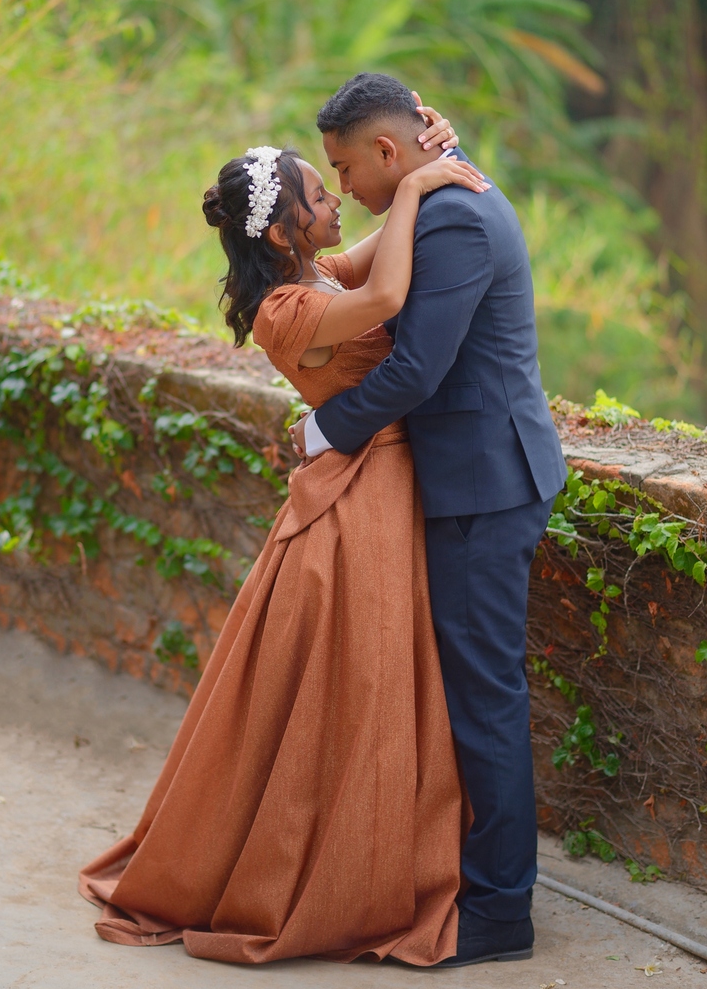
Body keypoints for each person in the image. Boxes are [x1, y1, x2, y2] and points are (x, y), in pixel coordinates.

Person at [79, 101, 490, 966]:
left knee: (376, 675)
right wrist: (417, 185)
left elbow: (380, 251)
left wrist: (433, 159)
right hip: (363, 492)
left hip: (381, 474)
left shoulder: (317, 272)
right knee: (368, 679)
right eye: (319, 191)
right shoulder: (285, 310)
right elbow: (388, 295)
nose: (336, 198)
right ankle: (344, 870)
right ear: (279, 231)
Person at [290, 71, 568, 969]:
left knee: (485, 696)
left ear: (387, 149)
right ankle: (469, 880)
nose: (343, 189)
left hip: (486, 483)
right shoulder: (441, 187)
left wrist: (320, 430)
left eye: (345, 168)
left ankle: (500, 912)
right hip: (476, 477)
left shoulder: (451, 216)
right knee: (473, 692)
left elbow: (418, 369)